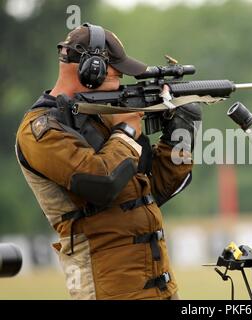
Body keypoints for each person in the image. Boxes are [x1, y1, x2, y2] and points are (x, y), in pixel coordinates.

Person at [15, 23, 201, 300]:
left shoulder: (104, 117)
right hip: (107, 288)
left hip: (158, 286)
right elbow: (101, 182)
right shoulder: (40, 130)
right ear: (92, 70)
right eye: (117, 72)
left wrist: (181, 135)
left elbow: (151, 191)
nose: (122, 80)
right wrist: (126, 131)